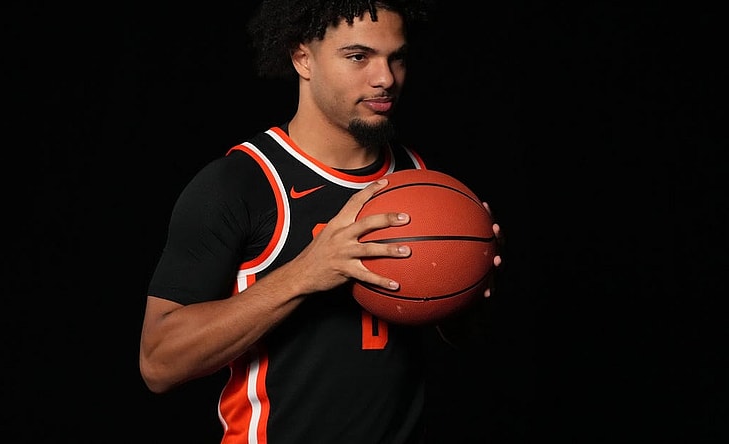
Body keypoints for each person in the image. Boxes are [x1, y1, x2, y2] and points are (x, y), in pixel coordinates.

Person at [139, 1, 502, 442]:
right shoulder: (241, 182)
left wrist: (469, 279)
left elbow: (462, 340)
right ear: (302, 58)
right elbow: (158, 364)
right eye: (358, 57)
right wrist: (306, 273)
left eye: (397, 57)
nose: (385, 78)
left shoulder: (419, 178)